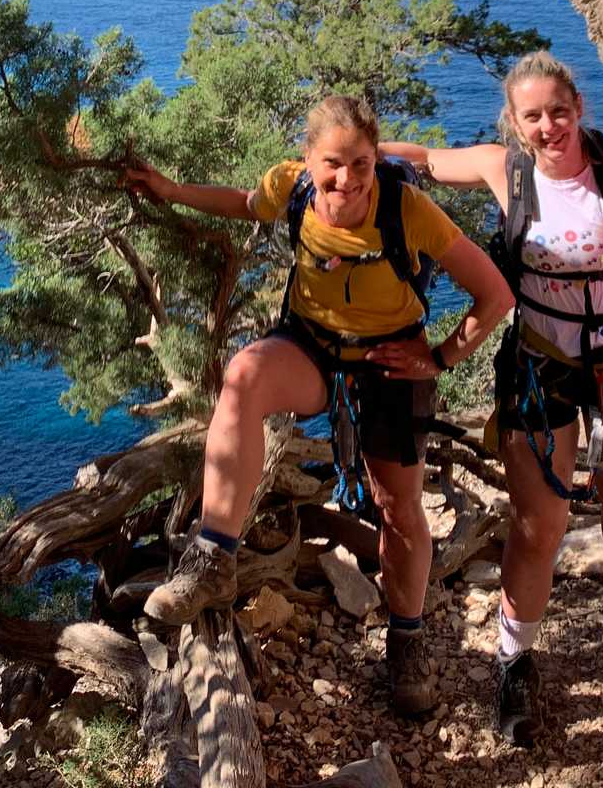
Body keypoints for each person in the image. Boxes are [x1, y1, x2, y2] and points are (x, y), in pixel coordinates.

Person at [123, 93, 513, 716]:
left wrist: (440, 357)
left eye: (361, 163)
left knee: (399, 508)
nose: (347, 178)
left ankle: (406, 640)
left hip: (391, 359)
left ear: (375, 157)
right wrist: (169, 190)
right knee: (245, 375)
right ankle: (211, 558)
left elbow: (493, 292)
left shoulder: (407, 207)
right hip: (312, 344)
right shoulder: (293, 188)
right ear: (307, 160)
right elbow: (247, 205)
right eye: (333, 163)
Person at [383, 51, 603, 747]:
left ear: (578, 107)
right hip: (542, 367)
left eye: (559, 110)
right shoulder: (506, 169)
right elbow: (430, 161)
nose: (550, 125)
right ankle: (515, 661)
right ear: (517, 122)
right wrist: (352, 151)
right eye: (534, 115)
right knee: (539, 523)